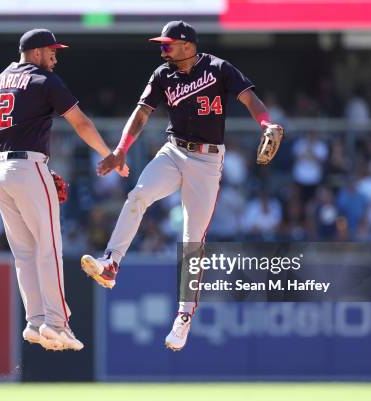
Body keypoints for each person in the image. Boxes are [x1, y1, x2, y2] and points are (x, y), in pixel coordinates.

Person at [81, 21, 283, 351]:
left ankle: (184, 317)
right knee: (138, 195)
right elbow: (142, 112)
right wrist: (120, 150)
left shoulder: (218, 68)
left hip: (207, 162)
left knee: (192, 240)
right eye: (162, 45)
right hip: (174, 151)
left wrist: (267, 123)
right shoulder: (163, 75)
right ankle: (110, 264)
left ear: (187, 46)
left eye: (168, 44)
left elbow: (250, 100)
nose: (163, 50)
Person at [0, 29, 127, 352]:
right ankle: (57, 323)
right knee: (48, 246)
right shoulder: (43, 80)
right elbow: (80, 122)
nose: (55, 57)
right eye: (51, 51)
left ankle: (35, 322)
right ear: (35, 52)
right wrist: (109, 154)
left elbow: (14, 128)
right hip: (28, 167)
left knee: (24, 252)